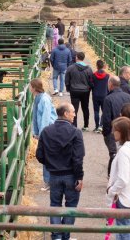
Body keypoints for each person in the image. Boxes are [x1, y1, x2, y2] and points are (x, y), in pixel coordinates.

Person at [36, 102, 85, 240]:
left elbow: (39, 155)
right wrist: (79, 177)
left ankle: (56, 236)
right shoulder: (76, 132)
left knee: (55, 205)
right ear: (65, 113)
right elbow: (78, 158)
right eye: (73, 112)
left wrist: (51, 164)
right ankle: (65, 236)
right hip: (71, 175)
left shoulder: (46, 131)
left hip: (54, 175)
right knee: (71, 206)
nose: (75, 114)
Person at [30, 78, 57, 191]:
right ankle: (50, 181)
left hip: (48, 130)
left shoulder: (44, 99)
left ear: (34, 87)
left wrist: (42, 134)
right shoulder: (38, 98)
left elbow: (45, 118)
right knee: (48, 156)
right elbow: (37, 117)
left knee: (47, 156)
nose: (29, 88)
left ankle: (49, 182)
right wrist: (35, 132)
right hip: (46, 130)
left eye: (30, 86)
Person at [102, 76, 130, 177]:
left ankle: (112, 175)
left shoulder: (108, 99)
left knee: (113, 154)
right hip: (127, 129)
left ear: (110, 84)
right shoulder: (128, 97)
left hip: (113, 130)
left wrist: (106, 133)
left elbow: (106, 118)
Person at [65, 51, 94, 130]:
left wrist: (68, 88)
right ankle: (86, 125)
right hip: (85, 91)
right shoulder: (88, 69)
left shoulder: (71, 68)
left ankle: (74, 125)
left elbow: (67, 79)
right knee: (85, 108)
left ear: (76, 57)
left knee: (74, 109)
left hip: (74, 90)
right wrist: (89, 89)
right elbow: (91, 80)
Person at [91, 59, 110, 133]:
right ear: (104, 66)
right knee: (104, 111)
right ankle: (102, 126)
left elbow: (91, 84)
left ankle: (96, 126)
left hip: (95, 95)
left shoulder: (93, 75)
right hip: (104, 95)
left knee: (96, 111)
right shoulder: (107, 76)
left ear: (97, 66)